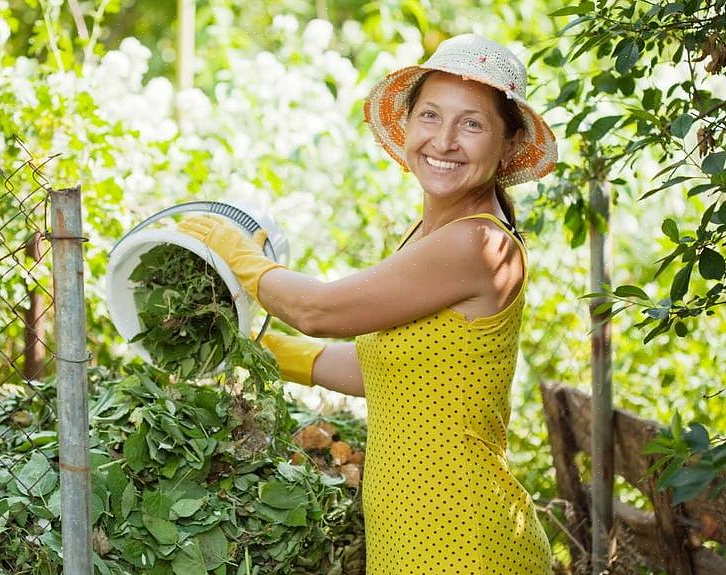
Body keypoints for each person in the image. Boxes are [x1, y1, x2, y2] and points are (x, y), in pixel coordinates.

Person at [178, 33, 556, 575]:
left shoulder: (479, 244)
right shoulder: (432, 236)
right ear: (408, 122)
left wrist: (239, 254)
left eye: (471, 124)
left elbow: (321, 310)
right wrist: (254, 350)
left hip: (464, 540)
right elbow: (390, 370)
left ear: (508, 144)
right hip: (414, 535)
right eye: (431, 115)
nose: (444, 140)